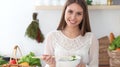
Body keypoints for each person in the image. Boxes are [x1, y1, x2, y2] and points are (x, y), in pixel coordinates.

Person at [41, 0, 99, 67]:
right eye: (70, 11)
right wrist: (51, 64)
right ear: (64, 11)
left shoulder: (91, 38)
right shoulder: (51, 36)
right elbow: (48, 65)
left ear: (83, 16)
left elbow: (94, 65)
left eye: (79, 13)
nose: (73, 17)